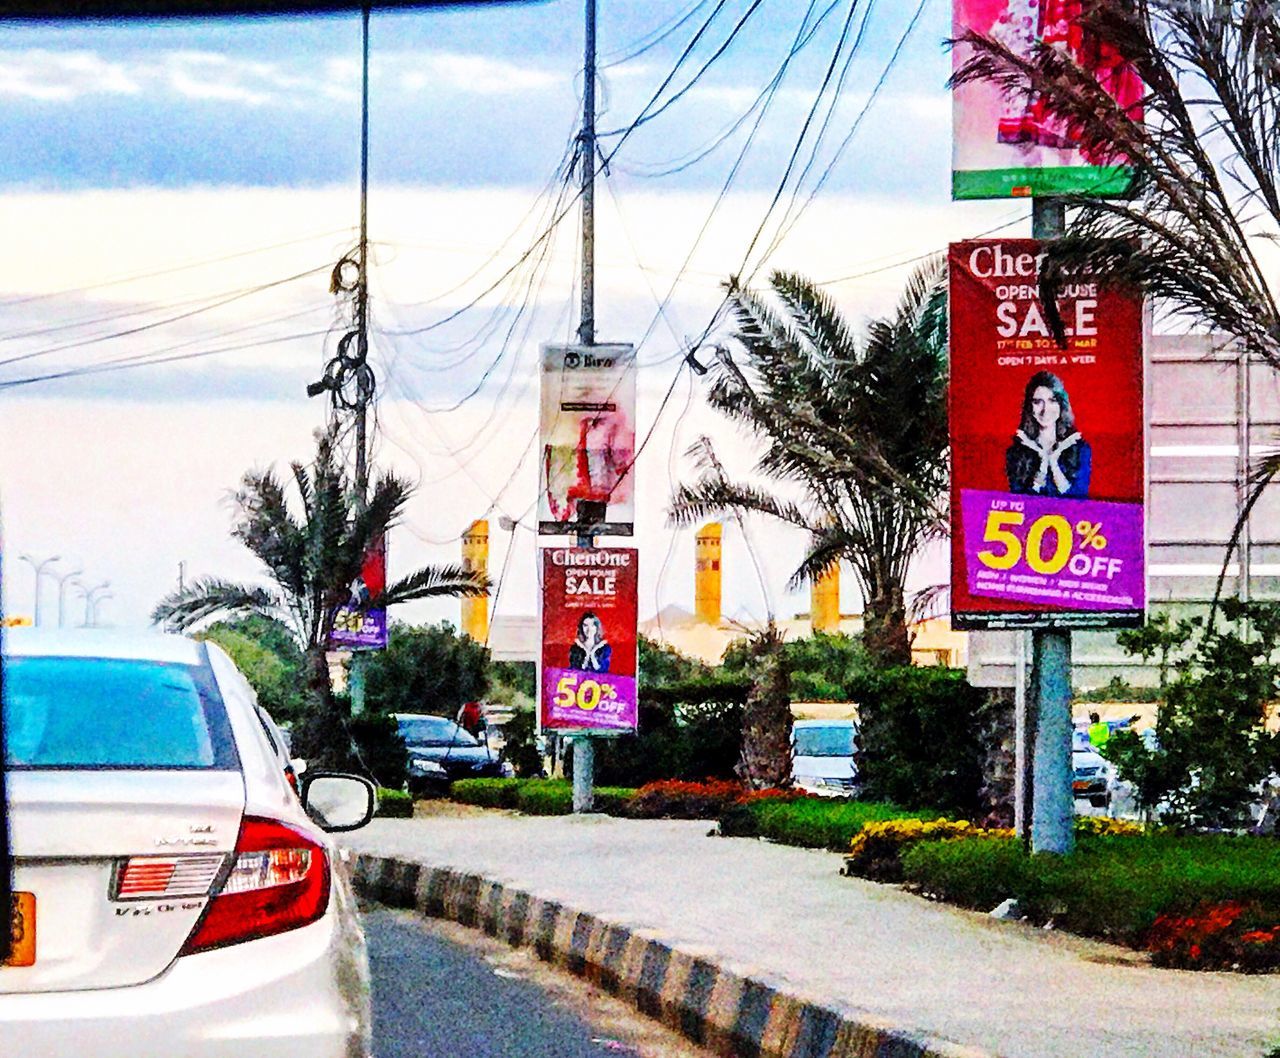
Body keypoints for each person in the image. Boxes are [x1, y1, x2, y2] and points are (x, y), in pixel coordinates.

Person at [1005, 371, 1092, 497]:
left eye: (1052, 400)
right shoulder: (1015, 452)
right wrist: (1042, 465)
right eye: (1038, 402)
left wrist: (1053, 463)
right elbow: (1020, 503)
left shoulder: (1080, 449)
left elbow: (1079, 500)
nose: (1045, 410)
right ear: (1029, 407)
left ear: (1061, 405)